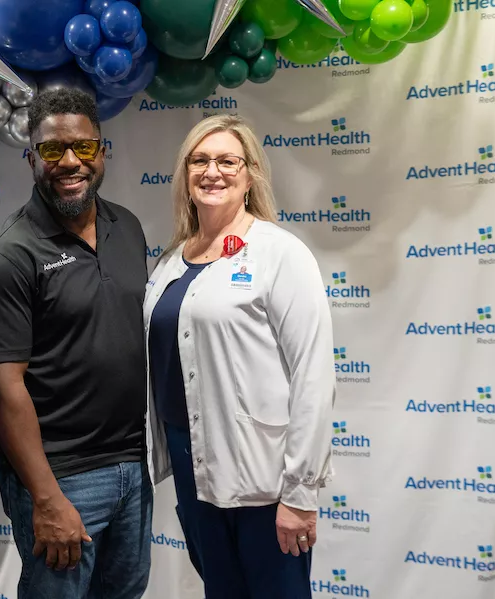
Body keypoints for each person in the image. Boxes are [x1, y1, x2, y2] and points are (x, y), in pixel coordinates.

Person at [0, 89, 153, 599]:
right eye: (52, 151)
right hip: (60, 478)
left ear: (102, 152)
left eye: (83, 148)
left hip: (132, 467)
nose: (70, 162)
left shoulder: (128, 228)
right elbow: (4, 392)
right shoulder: (7, 256)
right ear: (31, 159)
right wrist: (47, 500)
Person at [143, 114, 335, 599]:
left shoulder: (280, 254)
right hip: (194, 464)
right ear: (185, 175)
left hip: (263, 478)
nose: (213, 172)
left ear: (249, 174)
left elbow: (312, 375)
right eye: (200, 160)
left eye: (228, 161)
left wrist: (300, 493)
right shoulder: (170, 262)